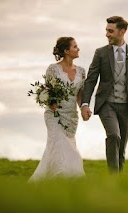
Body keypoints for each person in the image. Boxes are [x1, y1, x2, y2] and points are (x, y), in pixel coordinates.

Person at [81, 16, 128, 173]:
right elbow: (91, 80)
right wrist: (85, 104)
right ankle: (113, 177)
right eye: (106, 31)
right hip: (107, 104)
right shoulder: (101, 53)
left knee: (121, 147)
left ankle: (118, 183)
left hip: (127, 106)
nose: (107, 34)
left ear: (122, 32)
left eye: (111, 31)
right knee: (114, 136)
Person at [29, 37, 86, 182]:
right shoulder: (53, 69)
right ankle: (66, 179)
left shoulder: (81, 71)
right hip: (54, 115)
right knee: (63, 147)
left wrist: (84, 108)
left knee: (57, 150)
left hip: (71, 118)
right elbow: (48, 91)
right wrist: (50, 102)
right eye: (75, 46)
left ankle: (48, 183)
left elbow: (80, 95)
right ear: (66, 51)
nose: (78, 49)